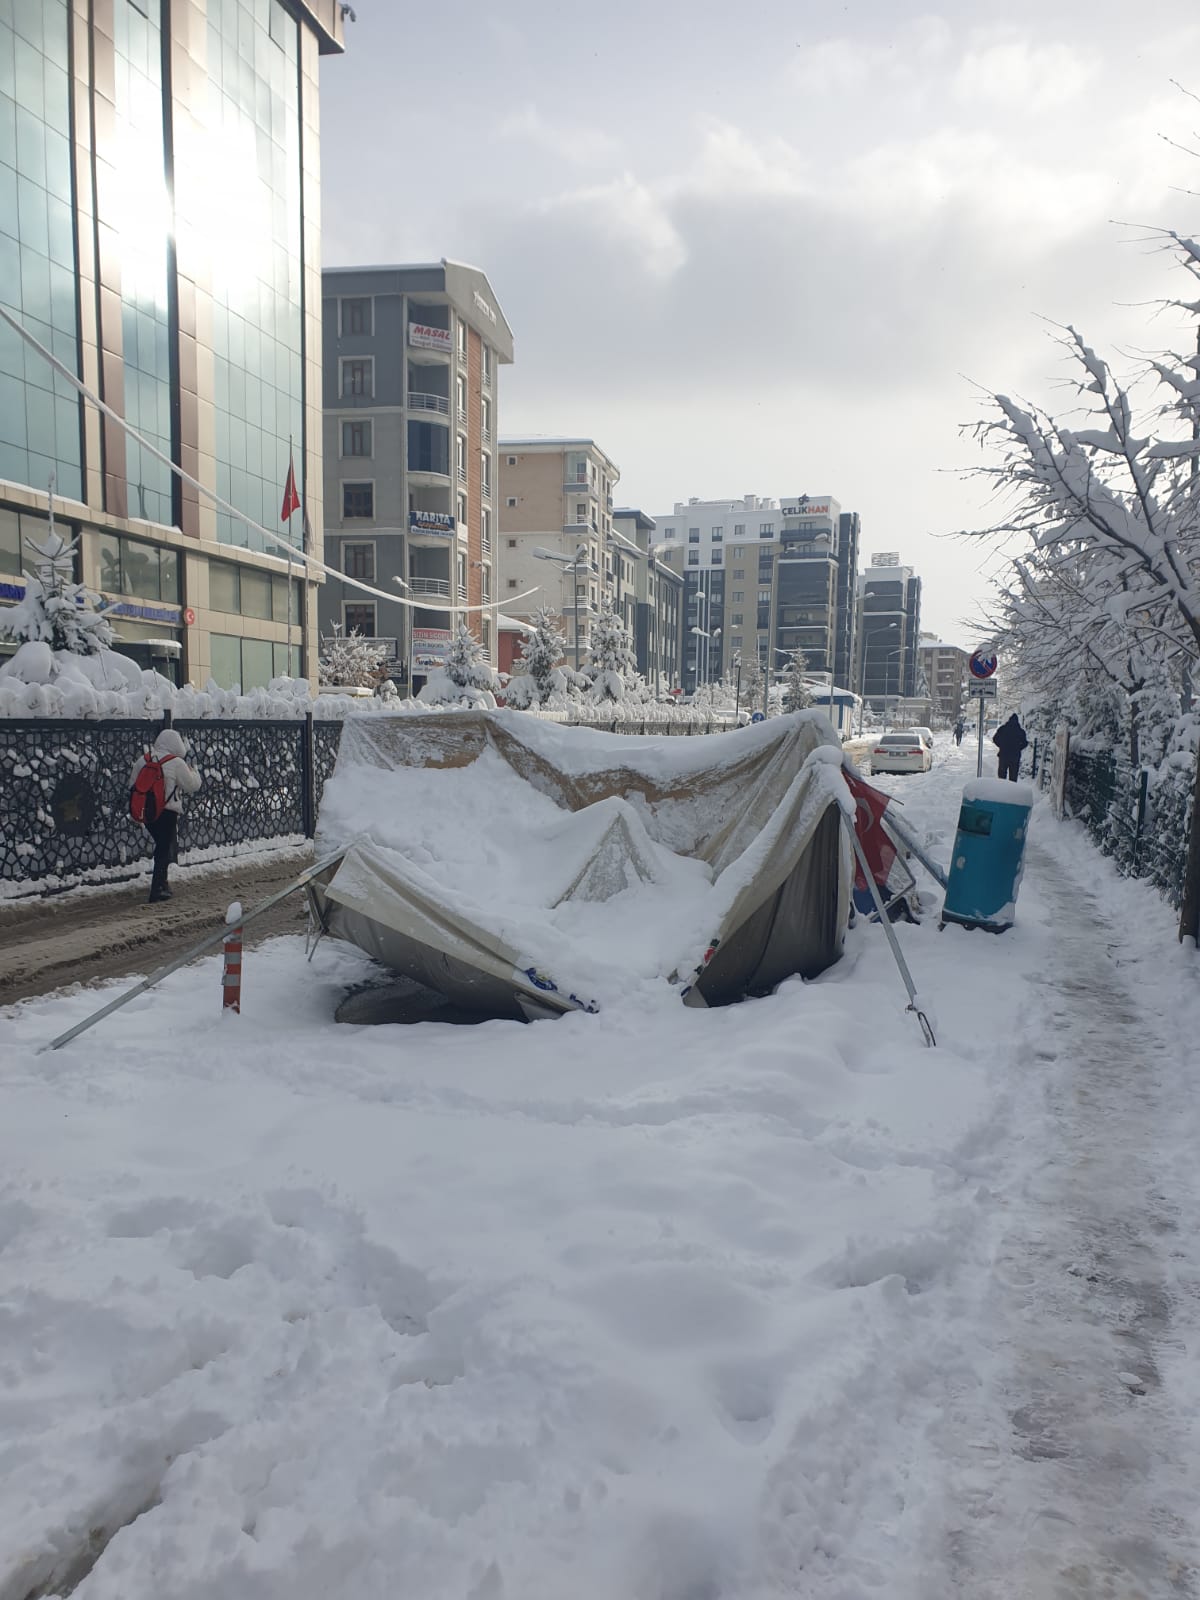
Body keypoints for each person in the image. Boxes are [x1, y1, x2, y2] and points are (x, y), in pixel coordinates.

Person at [130, 728, 201, 903]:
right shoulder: (176, 763)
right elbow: (191, 785)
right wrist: (195, 772)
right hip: (167, 812)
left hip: (147, 811)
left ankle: (162, 883)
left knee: (162, 846)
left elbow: (133, 785)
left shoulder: (143, 760)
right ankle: (157, 889)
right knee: (163, 848)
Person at [992, 712, 1028, 782]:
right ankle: (1011, 788)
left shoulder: (1002, 729)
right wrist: (1018, 748)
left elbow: (995, 739)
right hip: (1015, 756)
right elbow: (1025, 743)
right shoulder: (1020, 731)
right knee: (1013, 777)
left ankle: (1002, 787)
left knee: (1002, 776)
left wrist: (1001, 746)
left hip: (1003, 755)